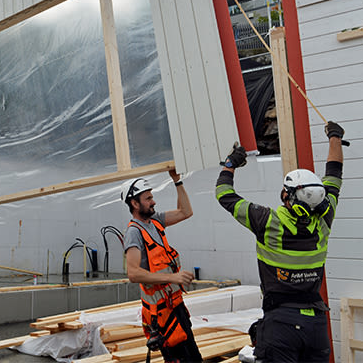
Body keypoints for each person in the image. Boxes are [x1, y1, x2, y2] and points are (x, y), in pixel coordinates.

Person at [215, 121, 345, 363]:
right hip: (316, 325)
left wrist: (231, 164)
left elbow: (223, 193)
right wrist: (335, 138)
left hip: (281, 324)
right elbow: (334, 175)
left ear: (287, 195)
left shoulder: (267, 222)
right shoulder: (324, 221)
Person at [122, 170, 203, 363]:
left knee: (194, 358)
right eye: (148, 198)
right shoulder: (134, 233)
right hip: (162, 315)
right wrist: (172, 277)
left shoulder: (155, 221)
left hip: (176, 307)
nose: (153, 201)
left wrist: (177, 181)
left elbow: (186, 212)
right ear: (134, 203)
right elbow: (133, 273)